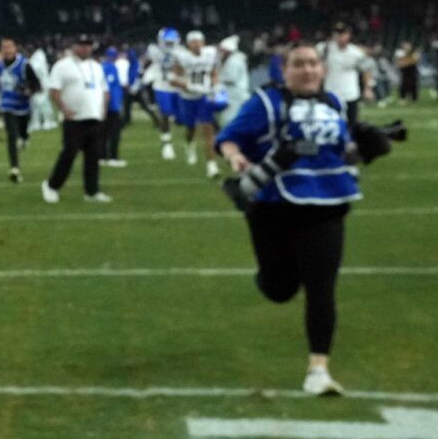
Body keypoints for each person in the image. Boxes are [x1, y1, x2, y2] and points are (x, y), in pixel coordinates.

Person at [215, 43, 365, 396]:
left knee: (321, 286)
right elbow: (229, 138)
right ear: (284, 70)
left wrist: (368, 147)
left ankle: (318, 370)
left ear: (323, 69)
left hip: (327, 203)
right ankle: (272, 278)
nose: (308, 70)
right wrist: (236, 158)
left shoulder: (334, 104)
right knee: (280, 288)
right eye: (299, 64)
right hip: (273, 207)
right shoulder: (265, 104)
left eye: (314, 63)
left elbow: (341, 151)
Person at [41, 35, 110, 205]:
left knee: (93, 157)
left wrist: (103, 109)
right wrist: (64, 109)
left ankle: (92, 191)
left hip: (94, 116)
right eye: (82, 45)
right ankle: (51, 186)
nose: (86, 48)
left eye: (88, 45)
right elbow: (54, 90)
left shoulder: (96, 66)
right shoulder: (62, 66)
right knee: (69, 154)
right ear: (74, 46)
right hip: (74, 119)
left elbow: (104, 90)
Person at [173, 30, 221, 175]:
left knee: (208, 129)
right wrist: (190, 86)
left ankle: (211, 165)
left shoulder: (210, 54)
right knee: (190, 128)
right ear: (188, 44)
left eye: (199, 41)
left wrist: (215, 86)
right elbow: (173, 79)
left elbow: (213, 73)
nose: (196, 45)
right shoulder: (181, 57)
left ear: (203, 42)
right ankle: (190, 145)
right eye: (193, 42)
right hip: (188, 97)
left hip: (204, 97)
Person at [317, 22, 372, 127]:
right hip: (331, 92)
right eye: (337, 33)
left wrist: (367, 88)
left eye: (343, 33)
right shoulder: (324, 49)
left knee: (351, 124)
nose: (340, 36)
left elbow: (366, 70)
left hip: (350, 93)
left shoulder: (356, 52)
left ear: (349, 35)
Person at [0, 37, 31, 183]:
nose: (7, 50)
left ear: (15, 48)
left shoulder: (24, 64)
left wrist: (28, 90)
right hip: (7, 105)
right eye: (4, 47)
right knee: (12, 136)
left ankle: (25, 136)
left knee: (23, 134)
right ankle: (14, 168)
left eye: (9, 47)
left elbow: (36, 84)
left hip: (23, 106)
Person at [142, 26, 183, 161]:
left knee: (180, 118)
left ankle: (186, 143)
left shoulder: (182, 52)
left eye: (171, 42)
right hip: (161, 85)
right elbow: (145, 62)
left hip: (177, 86)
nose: (169, 45)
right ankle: (166, 143)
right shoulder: (153, 50)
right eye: (167, 42)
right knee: (164, 113)